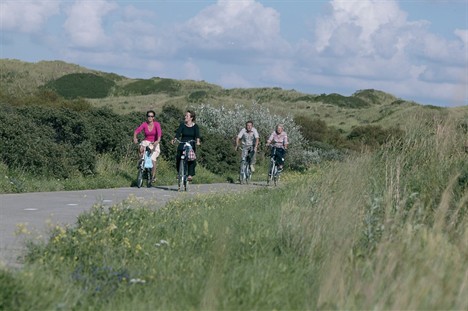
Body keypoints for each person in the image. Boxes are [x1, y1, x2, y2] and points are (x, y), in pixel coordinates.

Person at [171, 110, 201, 181]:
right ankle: (179, 172)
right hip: (183, 142)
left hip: (191, 143)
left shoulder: (195, 126)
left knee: (191, 158)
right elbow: (178, 133)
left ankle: (190, 175)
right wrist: (175, 139)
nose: (185, 117)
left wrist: (198, 141)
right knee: (179, 156)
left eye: (187, 116)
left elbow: (197, 135)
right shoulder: (182, 125)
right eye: (185, 115)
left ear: (191, 118)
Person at [133, 110, 162, 182]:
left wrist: (157, 141)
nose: (150, 117)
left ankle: (153, 176)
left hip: (154, 143)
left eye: (151, 116)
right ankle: (141, 163)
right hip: (146, 142)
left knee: (152, 159)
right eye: (148, 116)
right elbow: (137, 131)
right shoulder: (144, 124)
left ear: (153, 117)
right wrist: (135, 138)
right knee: (140, 148)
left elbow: (159, 135)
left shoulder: (157, 124)